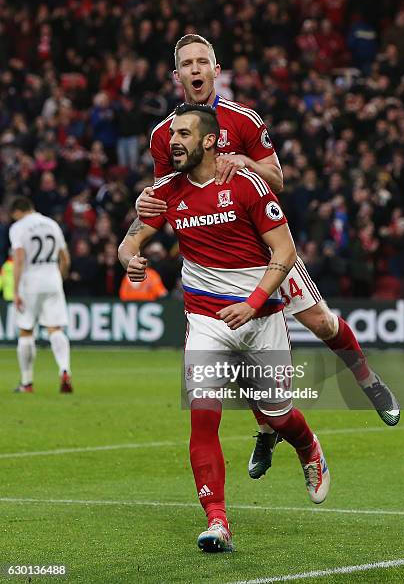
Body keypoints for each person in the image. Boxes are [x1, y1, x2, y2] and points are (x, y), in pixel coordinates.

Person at [135, 34, 400, 478]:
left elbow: (278, 179)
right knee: (237, 349)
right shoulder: (166, 135)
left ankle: (368, 382)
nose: (196, 70)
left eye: (203, 61)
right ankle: (268, 427)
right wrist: (142, 214)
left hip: (268, 252)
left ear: (216, 70)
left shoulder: (243, 119)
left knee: (322, 323)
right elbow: (169, 193)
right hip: (218, 262)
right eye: (187, 64)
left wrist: (245, 162)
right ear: (176, 74)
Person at [119, 104, 330, 552]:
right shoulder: (167, 191)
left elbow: (285, 252)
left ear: (210, 140)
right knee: (203, 418)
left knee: (277, 414)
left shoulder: (246, 184)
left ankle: (307, 445)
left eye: (184, 134)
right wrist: (130, 259)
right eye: (172, 134)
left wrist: (253, 304)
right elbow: (130, 239)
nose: (173, 141)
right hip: (205, 320)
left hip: (261, 317)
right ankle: (217, 522)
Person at [9, 196, 73, 393]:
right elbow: (66, 259)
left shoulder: (18, 227)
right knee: (55, 329)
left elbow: (19, 259)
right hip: (52, 279)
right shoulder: (52, 224)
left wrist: (16, 289)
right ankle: (64, 369)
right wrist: (58, 279)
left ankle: (27, 383)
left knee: (26, 330)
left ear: (17, 212)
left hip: (30, 282)